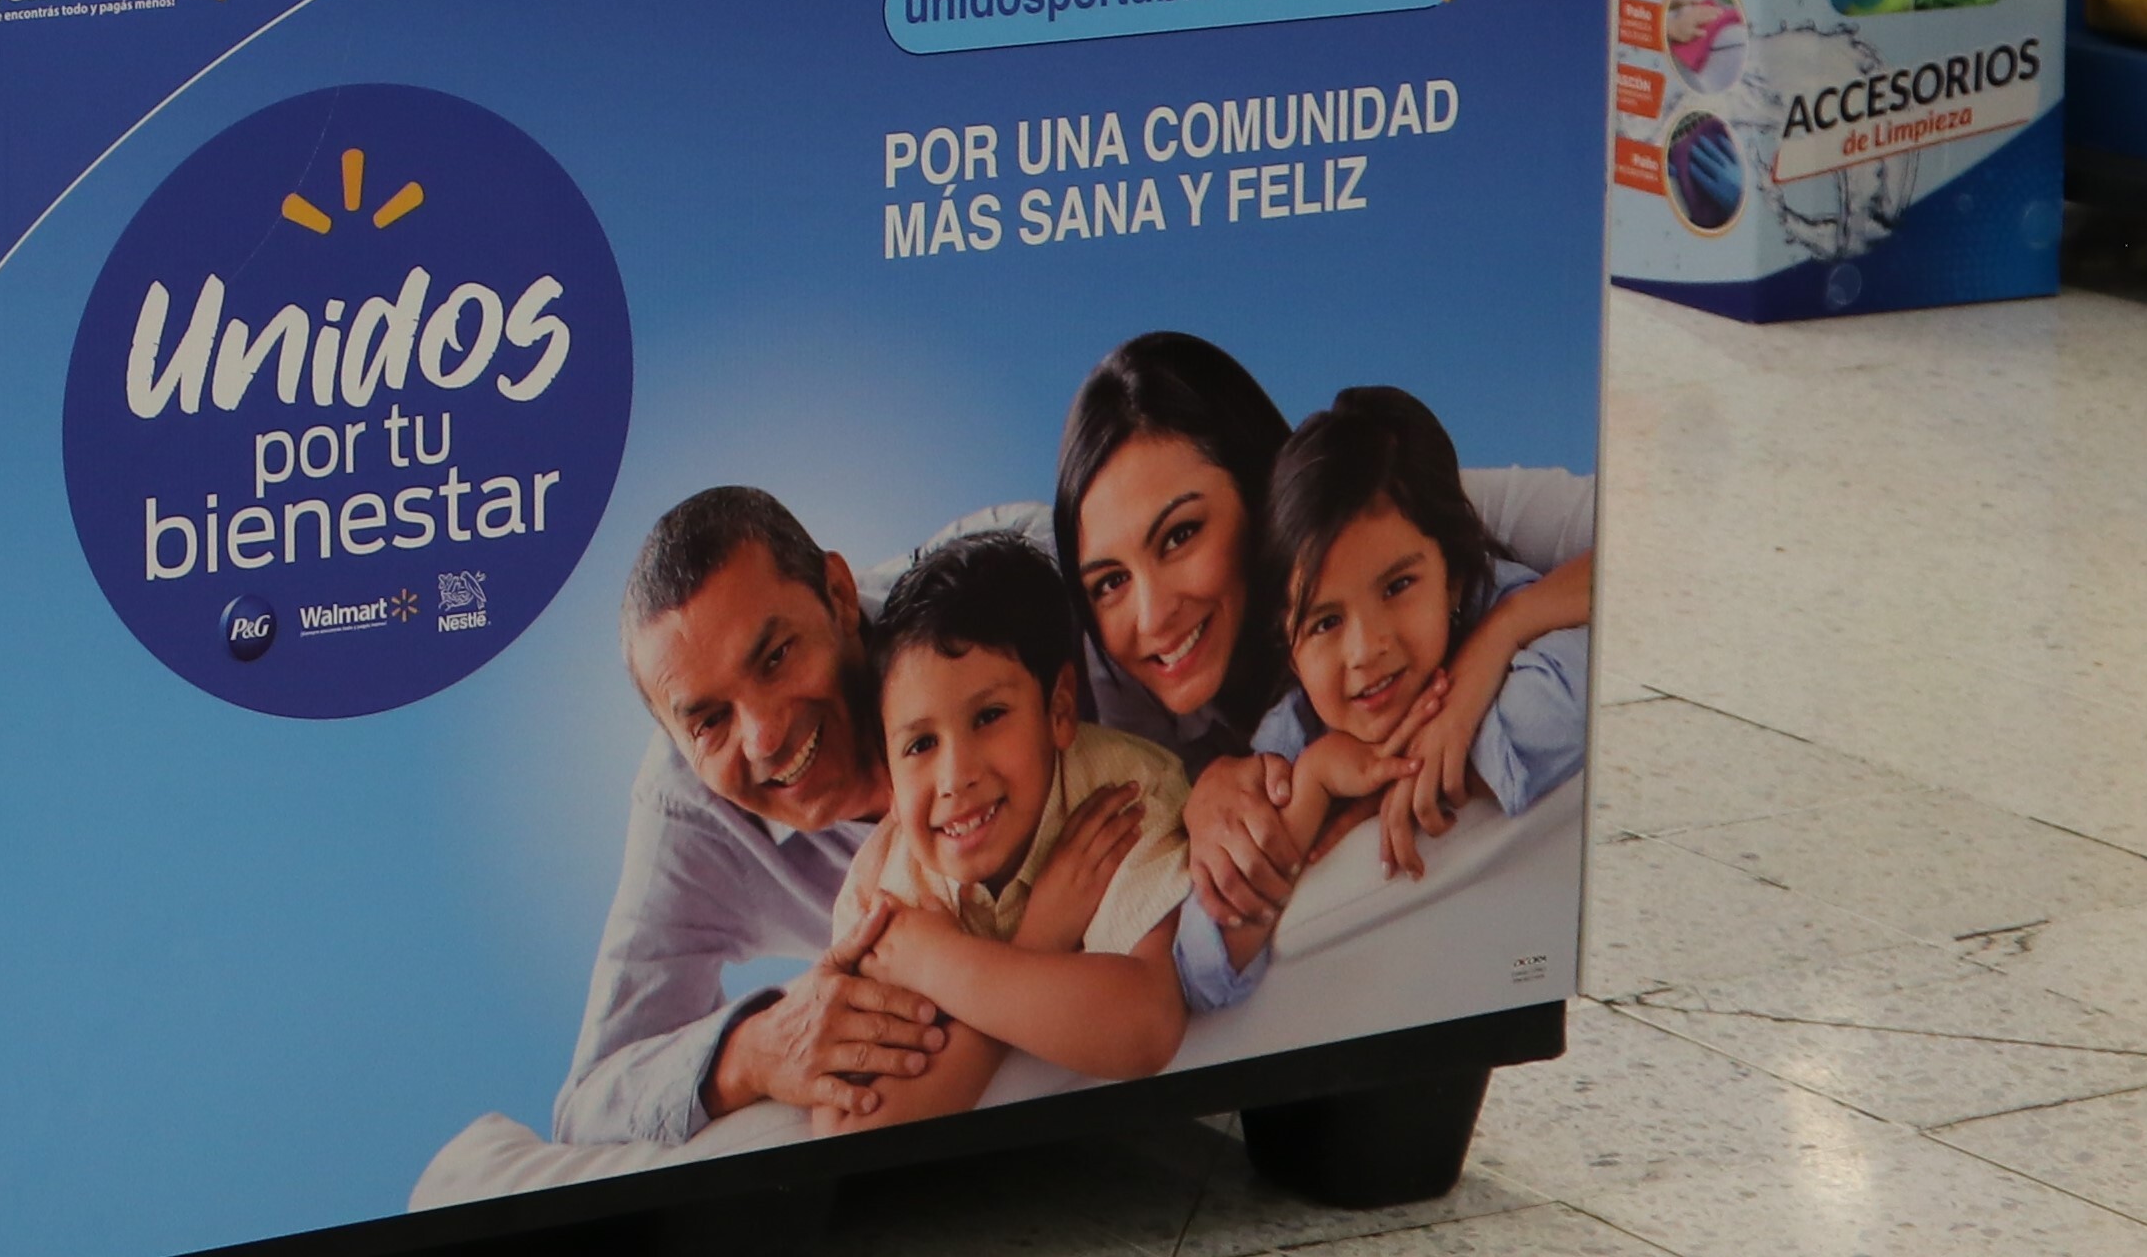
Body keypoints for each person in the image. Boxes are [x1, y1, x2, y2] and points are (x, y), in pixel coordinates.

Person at [1051, 332, 1592, 961]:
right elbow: (1194, 942)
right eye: (1112, 581)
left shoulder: (1389, 507)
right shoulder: (1113, 678)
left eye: (1180, 535)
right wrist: (1203, 798)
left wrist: (1499, 638)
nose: (1152, 617)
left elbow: (1653, 535)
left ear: (1264, 495)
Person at [557, 487, 1069, 1146]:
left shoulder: (1020, 582)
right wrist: (753, 1053)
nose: (764, 735)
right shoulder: (687, 815)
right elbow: (591, 1103)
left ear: (837, 593)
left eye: (774, 658)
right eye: (711, 722)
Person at [1179, 386, 1599, 1010]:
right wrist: (1318, 782)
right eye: (1323, 623)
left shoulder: (1526, 629)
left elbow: (1558, 710)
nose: (1365, 649)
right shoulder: (1296, 731)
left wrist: (1490, 651)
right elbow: (1204, 965)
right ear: (1288, 649)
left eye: (1398, 585)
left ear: (1454, 574)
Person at [795, 530, 1192, 1124]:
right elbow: (852, 1124)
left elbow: (1147, 1027)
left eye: (989, 716)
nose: (956, 777)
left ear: (1059, 710)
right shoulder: (881, 893)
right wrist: (1039, 941)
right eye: (921, 744)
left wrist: (936, 964)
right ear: (889, 773)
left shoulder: (1121, 798)